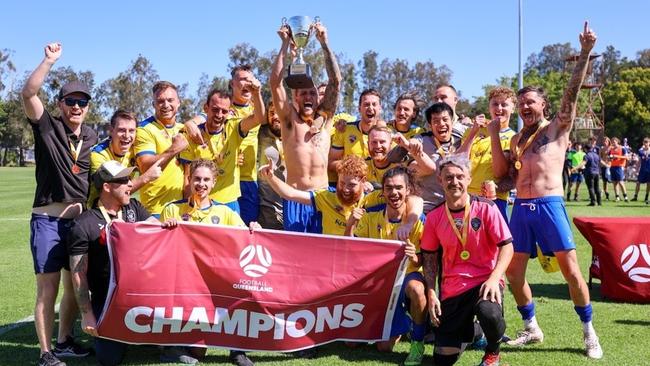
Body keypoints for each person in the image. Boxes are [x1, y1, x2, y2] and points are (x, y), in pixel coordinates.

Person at [490, 22, 603, 359]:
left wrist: (584, 53)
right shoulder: (515, 139)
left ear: (544, 106)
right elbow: (511, 176)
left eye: (531, 102)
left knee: (571, 272)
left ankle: (588, 332)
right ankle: (531, 327)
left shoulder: (556, 128)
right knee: (513, 274)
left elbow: (573, 90)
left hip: (550, 205)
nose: (525, 107)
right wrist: (498, 184)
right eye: (521, 103)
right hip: (521, 210)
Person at [21, 42, 95, 366]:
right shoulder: (48, 127)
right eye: (70, 101)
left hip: (77, 224)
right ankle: (45, 353)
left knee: (74, 288)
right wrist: (48, 61)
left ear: (88, 107)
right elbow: (28, 94)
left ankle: (65, 341)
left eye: (82, 102)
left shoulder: (92, 137)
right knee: (47, 288)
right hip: (48, 221)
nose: (76, 107)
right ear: (61, 104)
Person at [161, 159, 260, 366]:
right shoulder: (172, 210)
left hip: (215, 282)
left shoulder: (224, 212)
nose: (201, 184)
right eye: (197, 179)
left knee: (241, 291)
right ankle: (170, 347)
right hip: (185, 283)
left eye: (206, 179)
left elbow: (246, 238)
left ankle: (237, 351)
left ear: (214, 182)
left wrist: (254, 227)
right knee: (197, 353)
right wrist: (165, 228)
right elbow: (160, 247)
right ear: (189, 180)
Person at [421, 155, 513, 366]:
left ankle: (492, 353)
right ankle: (476, 332)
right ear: (440, 180)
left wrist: (494, 278)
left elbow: (507, 246)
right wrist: (432, 293)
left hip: (485, 283)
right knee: (443, 359)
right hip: (453, 289)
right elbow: (429, 258)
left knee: (488, 312)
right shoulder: (434, 217)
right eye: (449, 177)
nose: (455, 182)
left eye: (460, 176)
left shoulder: (487, 208)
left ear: (469, 178)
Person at [67, 161, 159, 366]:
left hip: (144, 296)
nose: (130, 184)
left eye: (129, 179)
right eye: (123, 180)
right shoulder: (84, 224)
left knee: (165, 340)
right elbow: (78, 273)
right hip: (109, 301)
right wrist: (87, 315)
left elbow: (159, 231)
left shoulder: (134, 208)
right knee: (108, 359)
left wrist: (169, 225)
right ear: (107, 186)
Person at [346, 167, 428, 365]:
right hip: (379, 284)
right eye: (389, 188)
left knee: (417, 289)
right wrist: (350, 226)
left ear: (408, 190)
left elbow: (423, 261)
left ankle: (417, 342)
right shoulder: (370, 218)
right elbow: (350, 251)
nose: (394, 193)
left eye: (399, 188)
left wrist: (412, 257)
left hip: (407, 277)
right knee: (354, 345)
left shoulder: (417, 222)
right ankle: (403, 324)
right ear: (382, 191)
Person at [270, 19, 342, 233]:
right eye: (303, 93)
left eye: (312, 92)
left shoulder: (326, 118)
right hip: (295, 198)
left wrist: (324, 43)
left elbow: (335, 80)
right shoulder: (289, 120)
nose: (308, 96)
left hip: (323, 200)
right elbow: (275, 83)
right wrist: (284, 44)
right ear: (295, 97)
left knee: (324, 254)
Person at [178, 86, 264, 213]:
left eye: (224, 111)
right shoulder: (192, 135)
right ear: (206, 108)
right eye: (215, 110)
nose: (219, 115)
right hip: (201, 203)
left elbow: (259, 118)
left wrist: (256, 93)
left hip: (229, 203)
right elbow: (187, 178)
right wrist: (187, 207)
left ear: (229, 112)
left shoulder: (234, 127)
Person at [392, 102, 462, 214]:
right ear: (429, 125)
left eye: (445, 119)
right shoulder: (424, 140)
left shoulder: (460, 139)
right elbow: (414, 142)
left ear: (452, 121)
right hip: (428, 209)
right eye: (436, 121)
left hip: (455, 208)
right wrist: (412, 143)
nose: (441, 124)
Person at [134, 81, 189, 216]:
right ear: (153, 105)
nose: (166, 105)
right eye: (160, 101)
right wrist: (174, 149)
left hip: (181, 209)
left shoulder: (183, 129)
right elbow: (145, 166)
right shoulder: (144, 129)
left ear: (178, 102)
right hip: (155, 210)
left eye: (170, 100)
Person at [462, 86, 517, 221]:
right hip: (468, 197)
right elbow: (459, 161)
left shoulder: (514, 138)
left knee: (498, 242)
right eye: (495, 104)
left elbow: (500, 173)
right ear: (489, 107)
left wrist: (494, 134)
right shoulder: (473, 131)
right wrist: (473, 132)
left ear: (513, 108)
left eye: (504, 104)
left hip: (495, 199)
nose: (499, 108)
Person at [88, 110, 162, 206]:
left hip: (121, 208)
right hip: (98, 210)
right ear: (111, 131)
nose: (127, 136)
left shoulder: (136, 149)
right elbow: (111, 191)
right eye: (121, 130)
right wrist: (146, 177)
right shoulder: (98, 154)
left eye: (131, 131)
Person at [329, 88, 385, 169]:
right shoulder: (345, 129)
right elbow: (331, 162)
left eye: (374, 104)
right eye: (366, 104)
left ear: (380, 108)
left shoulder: (387, 133)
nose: (370, 108)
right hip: (352, 181)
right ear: (359, 109)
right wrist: (352, 166)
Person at [257, 101, 285, 229]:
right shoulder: (261, 133)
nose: (275, 117)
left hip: (293, 205)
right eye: (271, 113)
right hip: (267, 206)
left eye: (279, 112)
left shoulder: (297, 133)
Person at [608, 137, 629, 202]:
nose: (613, 143)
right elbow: (609, 157)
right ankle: (617, 197)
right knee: (614, 183)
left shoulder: (622, 148)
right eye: (612, 142)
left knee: (620, 182)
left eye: (614, 142)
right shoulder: (611, 149)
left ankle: (625, 196)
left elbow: (626, 157)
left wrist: (617, 156)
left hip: (619, 167)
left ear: (617, 142)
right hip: (612, 166)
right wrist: (610, 158)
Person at [583, 137, 602, 206]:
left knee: (591, 187)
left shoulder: (586, 155)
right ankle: (599, 202)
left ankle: (593, 202)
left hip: (590, 172)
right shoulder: (596, 155)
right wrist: (607, 165)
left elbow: (583, 163)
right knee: (597, 187)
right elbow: (601, 161)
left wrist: (575, 168)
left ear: (585, 149)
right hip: (597, 172)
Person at [632, 137, 650, 204]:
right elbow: (639, 161)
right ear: (643, 143)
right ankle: (635, 196)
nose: (645, 143)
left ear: (649, 143)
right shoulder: (641, 151)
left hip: (649, 170)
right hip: (642, 170)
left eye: (647, 142)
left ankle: (646, 197)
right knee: (638, 183)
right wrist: (636, 169)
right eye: (644, 142)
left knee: (648, 184)